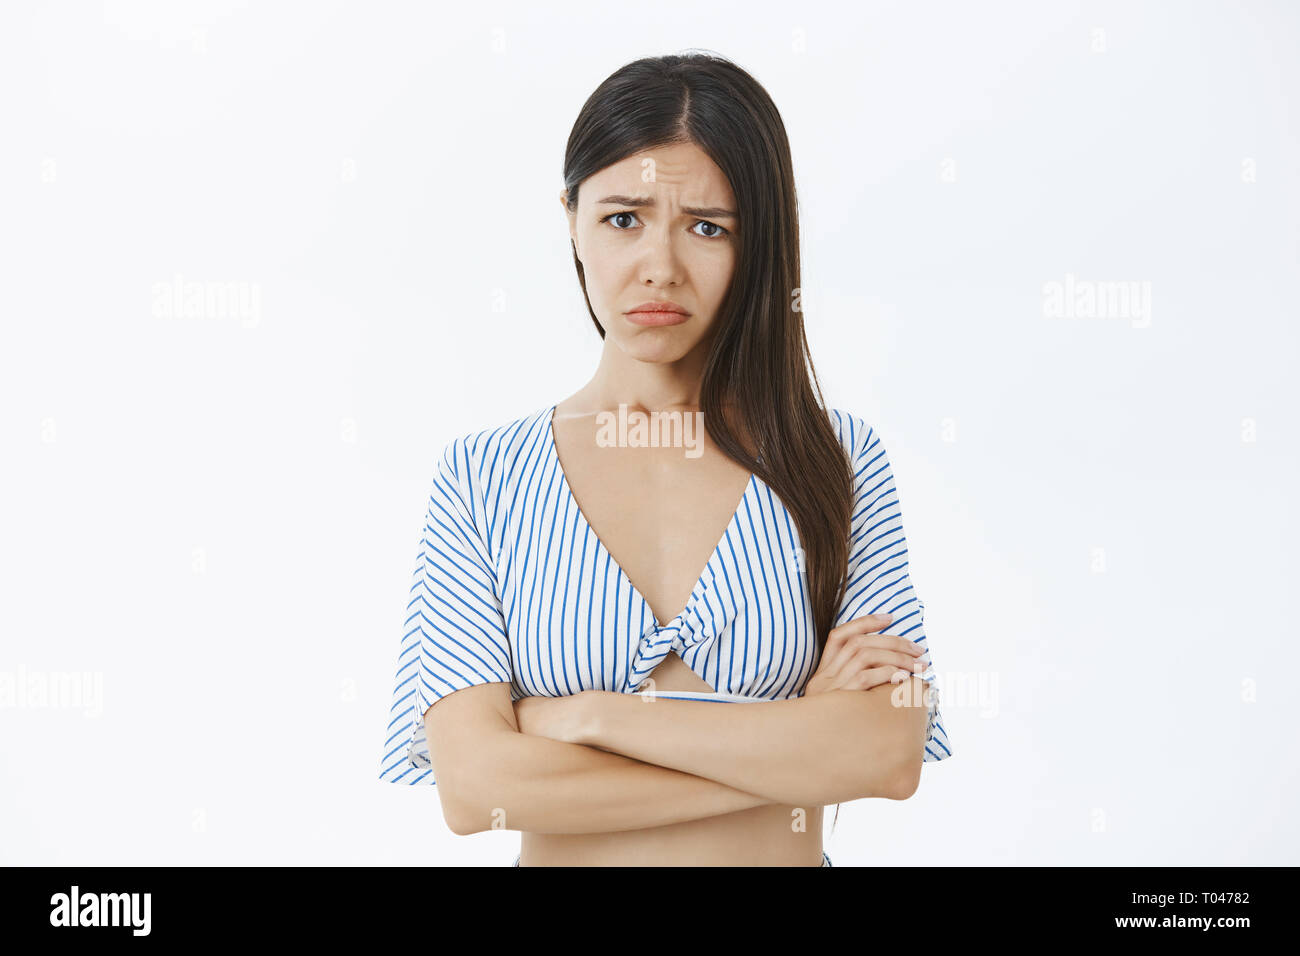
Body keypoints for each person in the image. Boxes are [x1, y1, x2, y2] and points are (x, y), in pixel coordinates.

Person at [379, 51, 951, 866]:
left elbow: (889, 754)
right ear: (571, 218)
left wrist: (593, 718)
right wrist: (800, 747)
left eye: (708, 227)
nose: (661, 267)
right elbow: (476, 790)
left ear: (761, 242)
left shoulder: (836, 459)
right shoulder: (483, 478)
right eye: (623, 219)